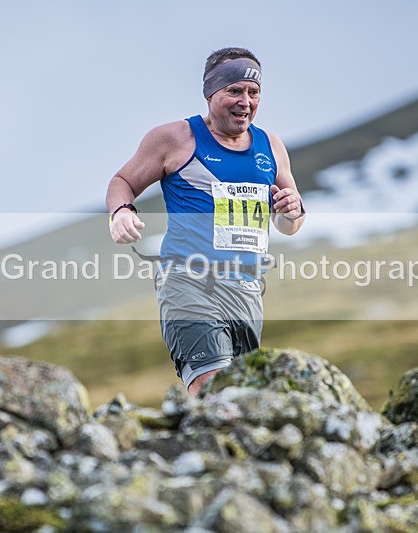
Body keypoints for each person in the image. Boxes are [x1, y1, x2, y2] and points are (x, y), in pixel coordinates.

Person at [106, 47, 305, 397]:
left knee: (241, 397)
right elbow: (122, 181)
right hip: (189, 282)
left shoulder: (271, 146)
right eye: (235, 91)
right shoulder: (175, 138)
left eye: (254, 92)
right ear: (211, 93)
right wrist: (122, 211)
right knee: (213, 387)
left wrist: (292, 211)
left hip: (247, 291)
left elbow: (289, 223)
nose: (245, 102)